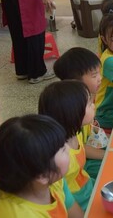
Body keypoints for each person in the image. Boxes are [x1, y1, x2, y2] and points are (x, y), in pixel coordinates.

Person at [0, 114, 83, 218]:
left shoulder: (54, 181)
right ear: (42, 176)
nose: (68, 148)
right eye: (63, 149)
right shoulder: (20, 214)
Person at [38, 80, 95, 211]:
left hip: (88, 185)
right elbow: (65, 198)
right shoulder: (60, 155)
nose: (93, 106)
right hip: (78, 199)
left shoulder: (75, 132)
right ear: (73, 113)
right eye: (89, 103)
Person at [53, 47, 104, 179]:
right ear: (75, 82)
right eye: (94, 75)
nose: (100, 78)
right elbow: (80, 149)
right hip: (81, 169)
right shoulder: (73, 116)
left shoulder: (84, 103)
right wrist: (107, 154)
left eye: (99, 73)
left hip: (84, 156)